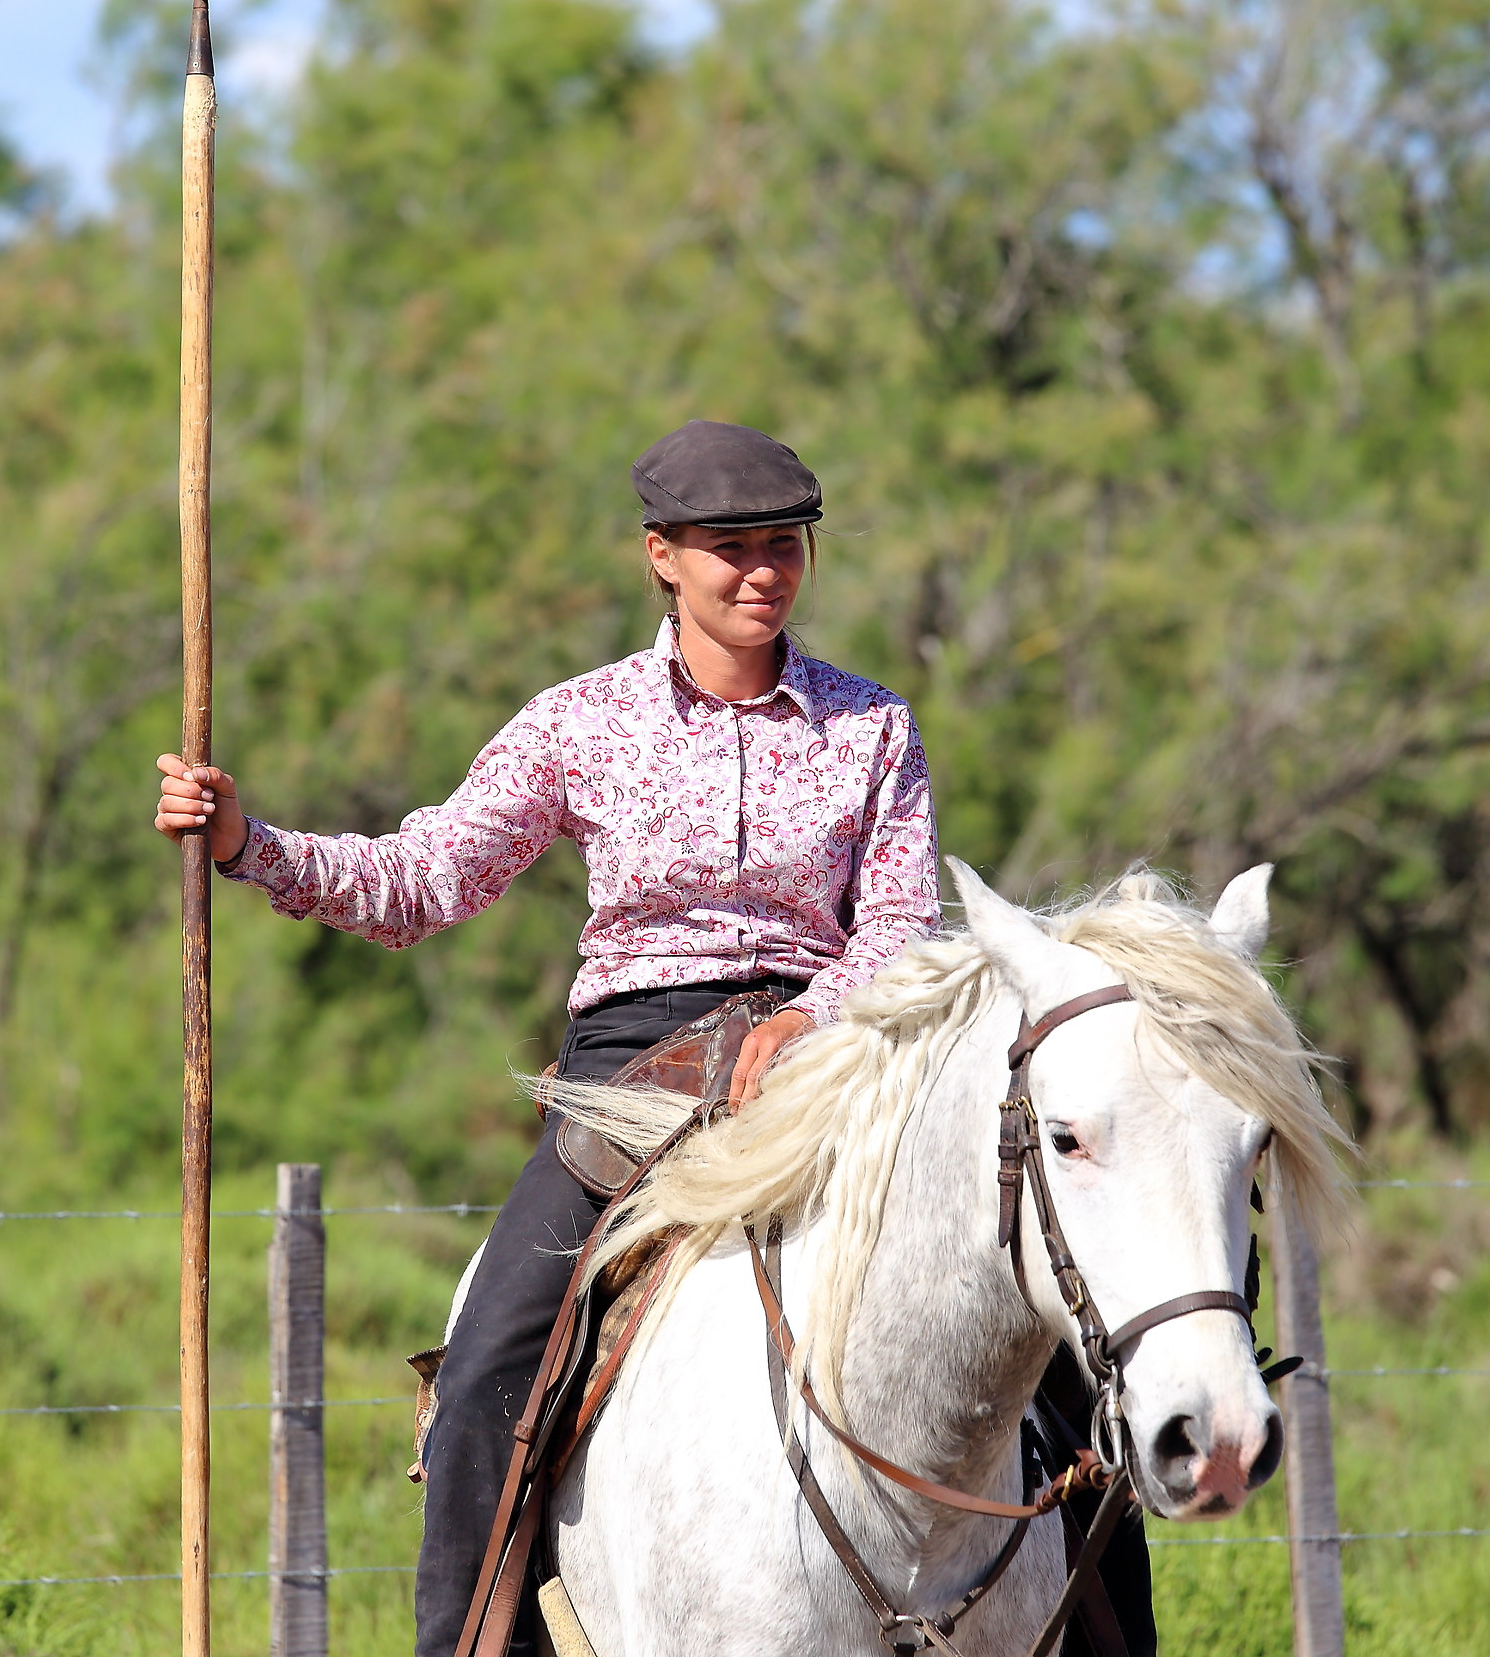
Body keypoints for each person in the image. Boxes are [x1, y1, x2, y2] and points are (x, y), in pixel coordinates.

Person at [154, 419, 944, 1657]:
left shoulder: (872, 725)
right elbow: (428, 878)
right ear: (659, 558)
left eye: (783, 544)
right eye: (727, 546)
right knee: (483, 1377)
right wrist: (253, 846)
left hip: (829, 1059)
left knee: (1036, 1325)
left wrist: (811, 1015)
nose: (762, 571)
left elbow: (901, 923)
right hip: (633, 1080)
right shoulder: (583, 722)